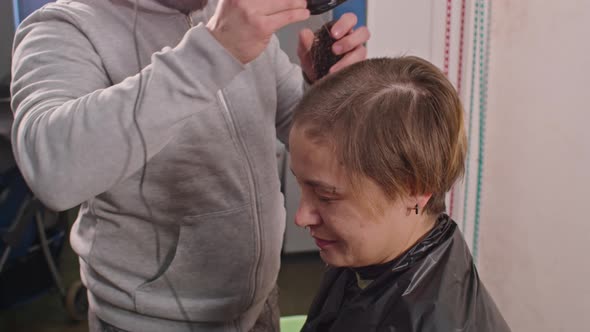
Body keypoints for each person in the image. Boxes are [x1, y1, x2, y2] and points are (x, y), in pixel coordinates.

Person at [9, 0, 370, 331]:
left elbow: (296, 125)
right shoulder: (64, 25)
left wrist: (319, 87)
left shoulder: (229, 15)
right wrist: (213, 52)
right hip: (150, 321)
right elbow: (52, 171)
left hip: (258, 305)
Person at [289, 56, 511, 332]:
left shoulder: (430, 319)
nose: (301, 217)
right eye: (301, 185)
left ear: (414, 189)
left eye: (326, 196)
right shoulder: (374, 255)